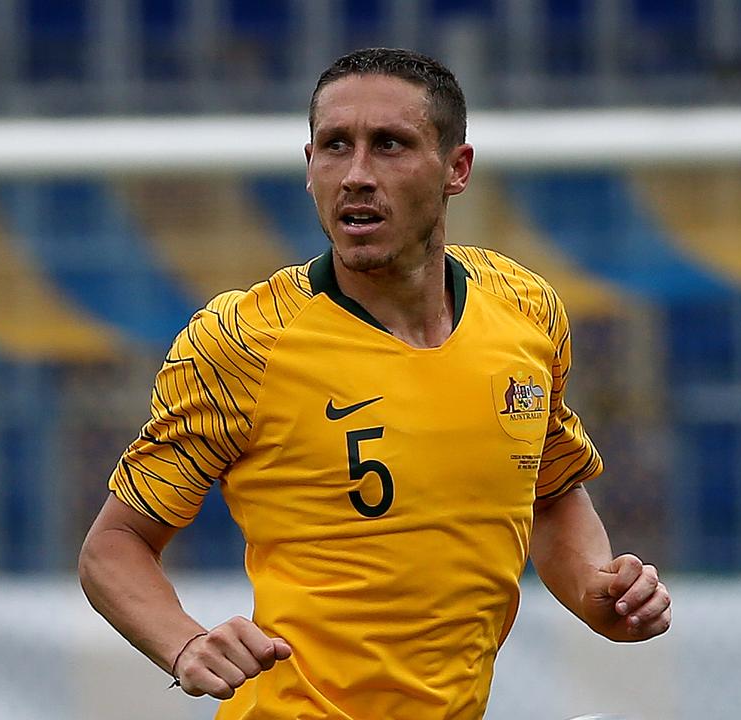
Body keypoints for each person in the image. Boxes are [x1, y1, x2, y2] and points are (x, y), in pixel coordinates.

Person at [79, 47, 671, 719]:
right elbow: (114, 547)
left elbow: (552, 493)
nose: (356, 175)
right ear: (310, 169)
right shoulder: (244, 342)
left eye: (389, 145)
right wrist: (185, 646)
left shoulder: (524, 309)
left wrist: (597, 590)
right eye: (335, 147)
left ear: (457, 169)